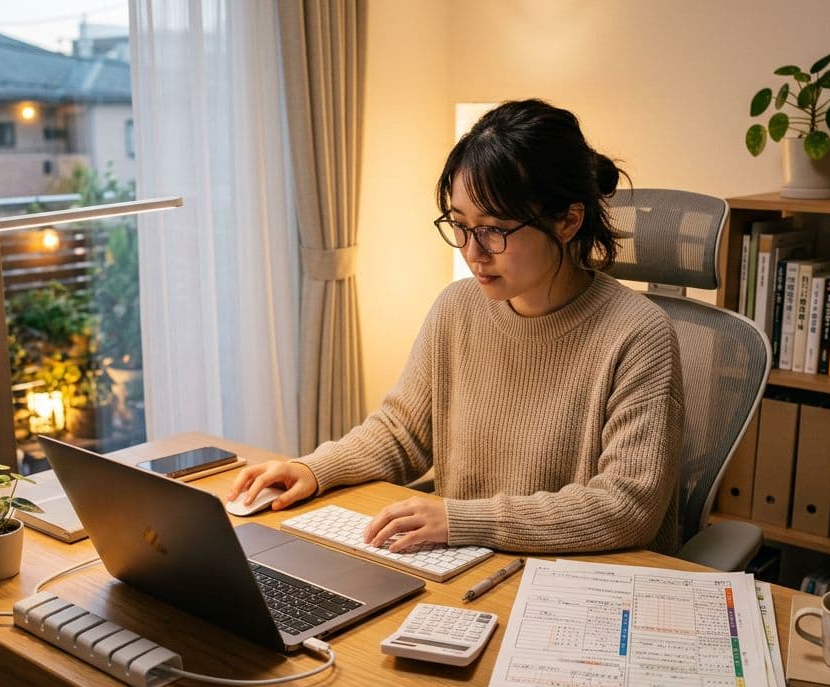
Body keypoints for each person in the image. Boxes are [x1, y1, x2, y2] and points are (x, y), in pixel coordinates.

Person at [227, 99, 685, 555]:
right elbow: (402, 431)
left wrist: (464, 519)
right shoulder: (457, 308)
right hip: (469, 562)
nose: (473, 252)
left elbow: (627, 507)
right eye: (461, 225)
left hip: (580, 583)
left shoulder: (639, 334)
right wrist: (315, 469)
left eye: (494, 229)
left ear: (568, 221)